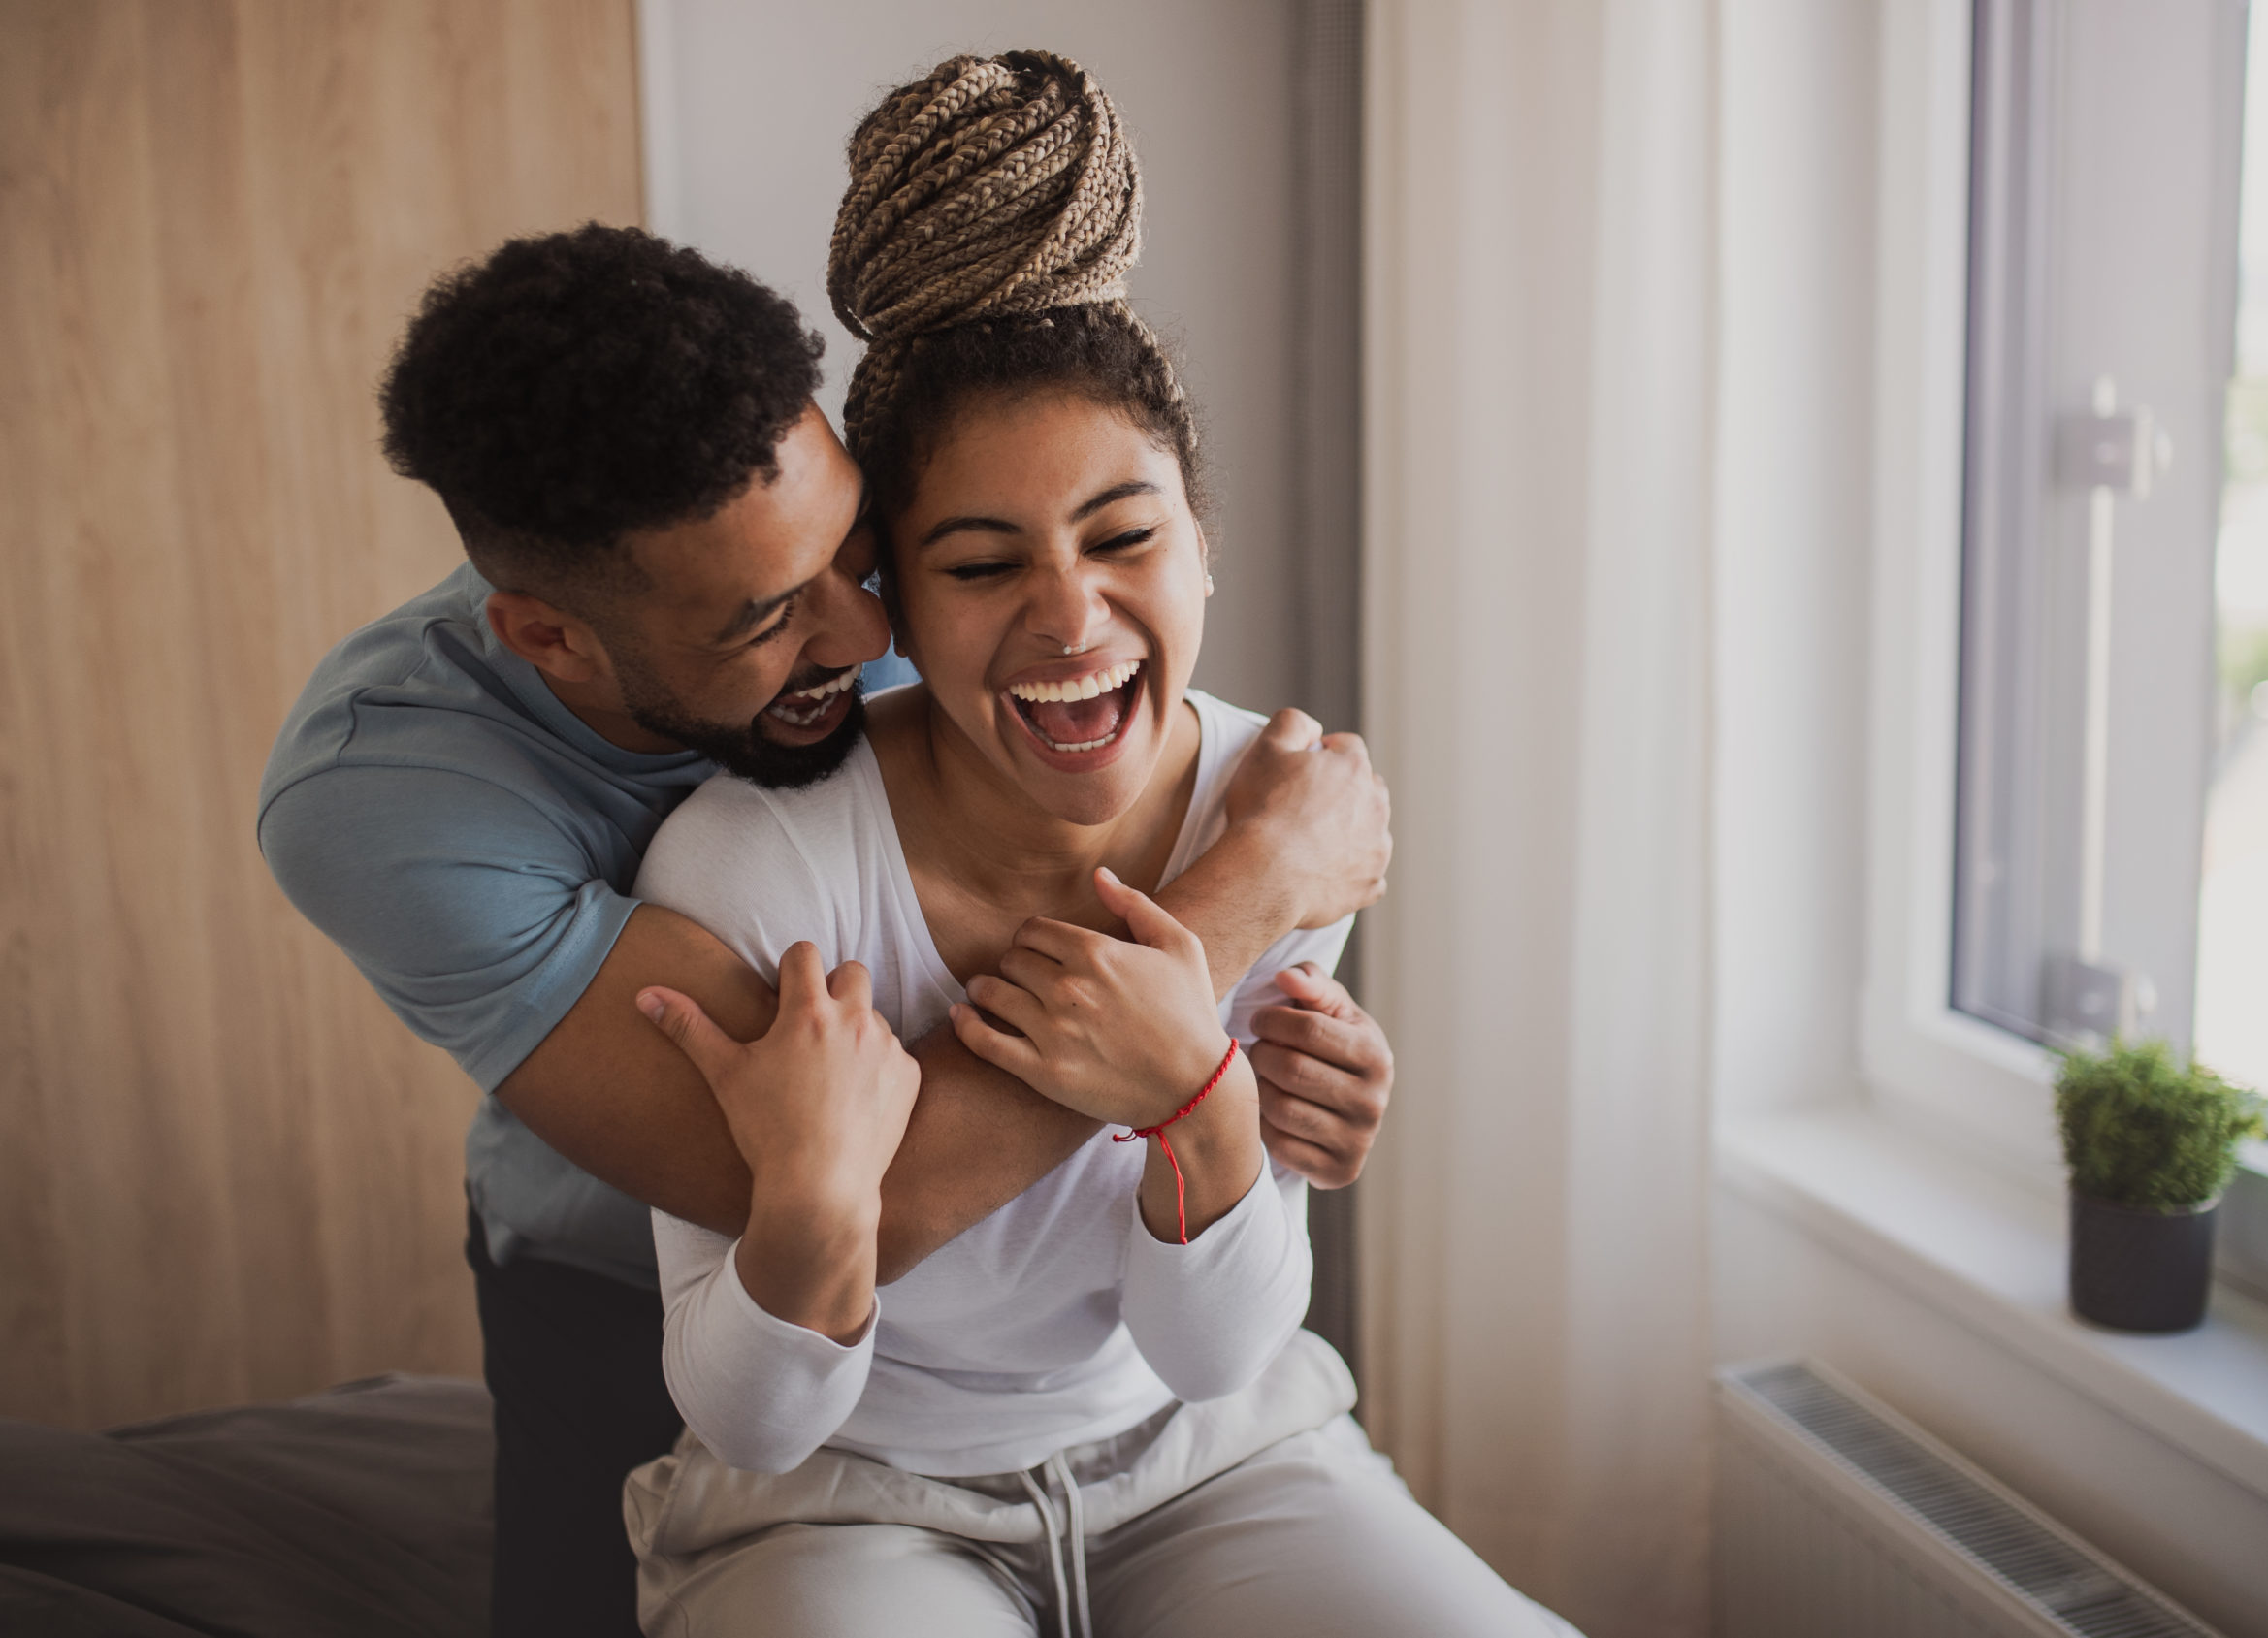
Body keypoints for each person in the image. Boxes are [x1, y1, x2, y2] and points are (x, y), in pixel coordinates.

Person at [258, 222, 1399, 1636]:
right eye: (771, 617)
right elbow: (864, 1190)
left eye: (859, 552)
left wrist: (1260, 1077)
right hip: (619, 1265)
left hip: (1094, 1363)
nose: (872, 638)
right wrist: (1241, 906)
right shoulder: (378, 795)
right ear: (552, 638)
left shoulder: (887, 577)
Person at [618, 51, 1575, 1638]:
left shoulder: (1271, 807)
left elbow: (1216, 1351)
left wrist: (1210, 1111)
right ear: (896, 606)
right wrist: (806, 1202)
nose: (1072, 617)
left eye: (1126, 537)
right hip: (840, 1503)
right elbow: (754, 1417)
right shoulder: (754, 867)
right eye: (984, 564)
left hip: (1213, 1460)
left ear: (1205, 543)